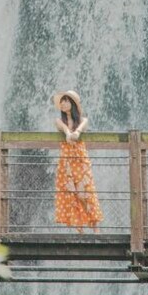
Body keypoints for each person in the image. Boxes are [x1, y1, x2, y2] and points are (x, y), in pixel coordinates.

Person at [52, 90, 103, 233]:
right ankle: (80, 230)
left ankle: (95, 229)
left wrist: (77, 132)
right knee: (72, 194)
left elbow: (82, 126)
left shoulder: (83, 120)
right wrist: (68, 133)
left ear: (73, 103)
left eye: (66, 101)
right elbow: (62, 127)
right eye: (62, 101)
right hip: (67, 161)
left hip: (80, 160)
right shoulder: (59, 121)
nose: (63, 104)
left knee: (85, 193)